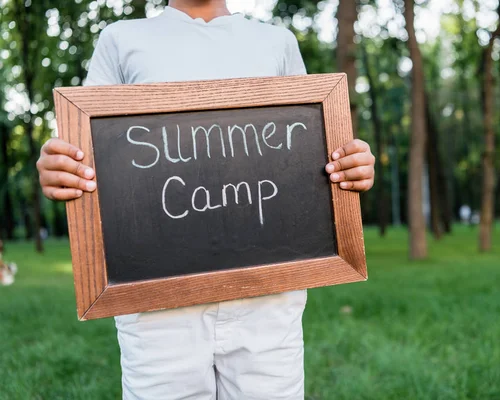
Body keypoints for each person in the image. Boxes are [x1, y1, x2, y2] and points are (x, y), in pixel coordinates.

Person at [36, 1, 376, 399]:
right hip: (156, 307)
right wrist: (61, 166)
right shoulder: (122, 41)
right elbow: (87, 149)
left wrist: (350, 166)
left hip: (268, 303)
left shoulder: (276, 43)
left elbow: (310, 152)